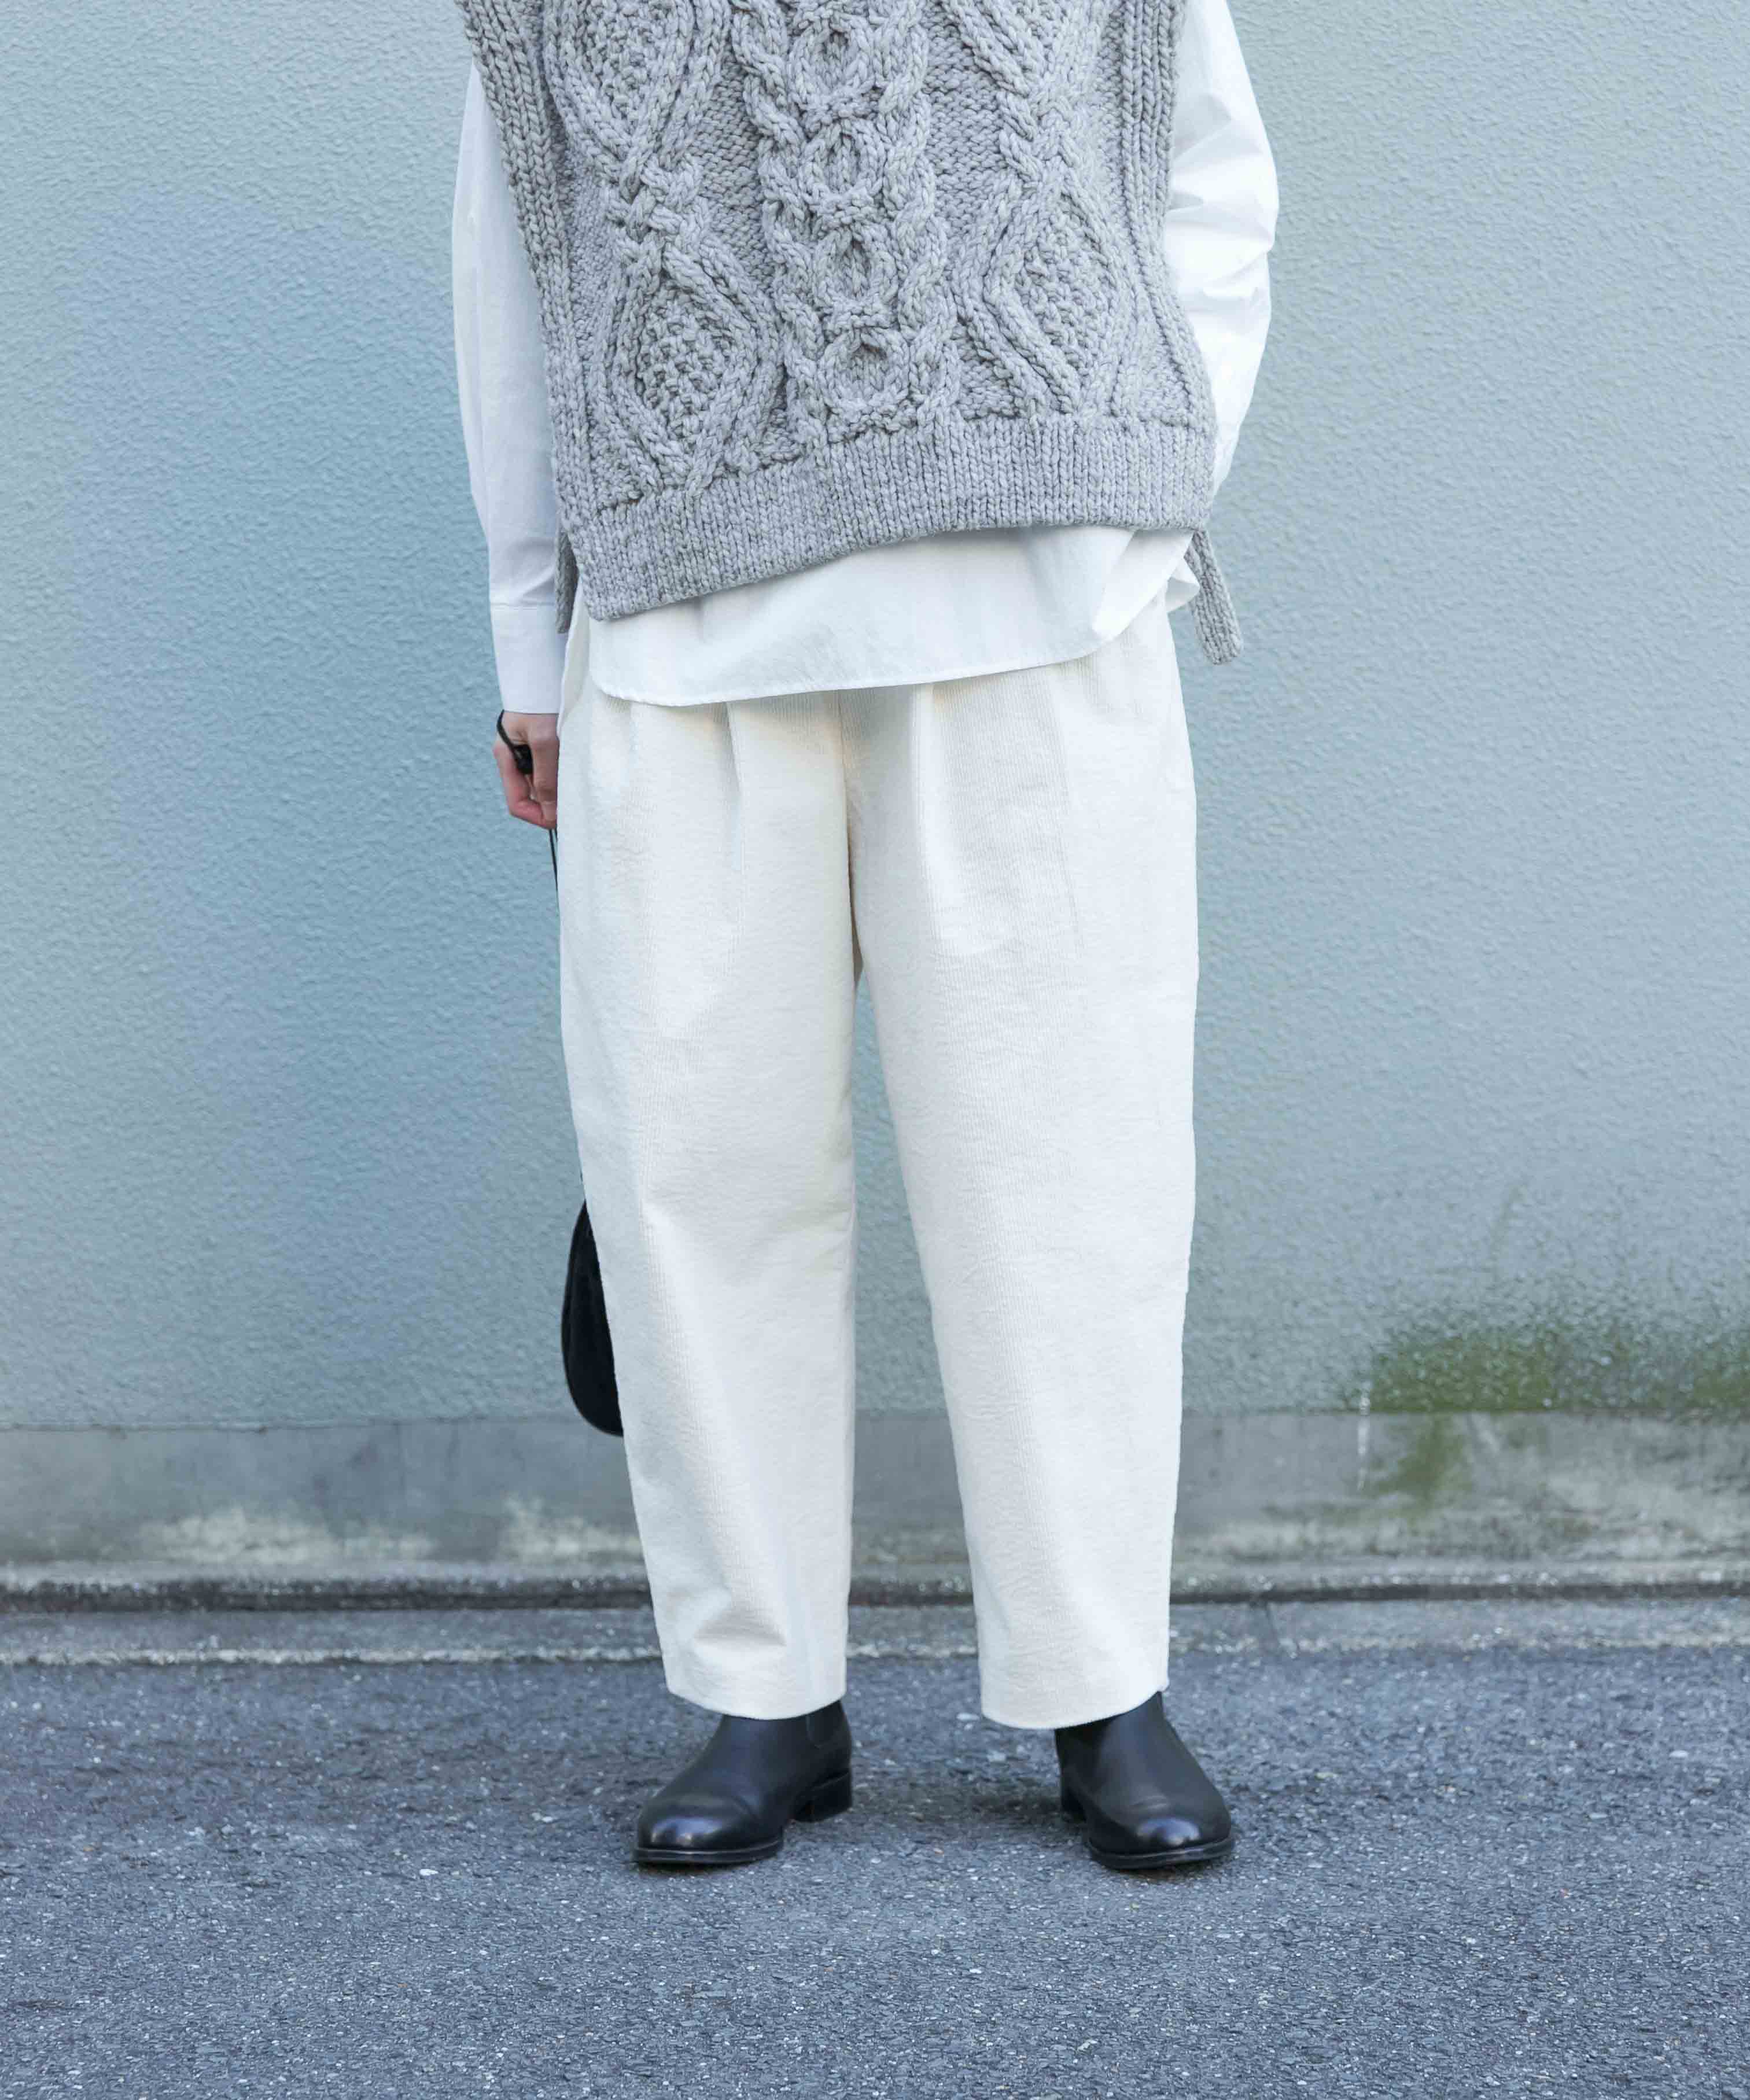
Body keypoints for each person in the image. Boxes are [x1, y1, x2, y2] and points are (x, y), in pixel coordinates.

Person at [452, 0, 1276, 1871]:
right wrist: (528, 639)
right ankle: (762, 1694)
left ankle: (1101, 1683)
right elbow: (520, 261)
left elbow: (1206, 171)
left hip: (1043, 601)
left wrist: (1142, 478)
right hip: (680, 615)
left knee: (1071, 1166)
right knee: (697, 1164)